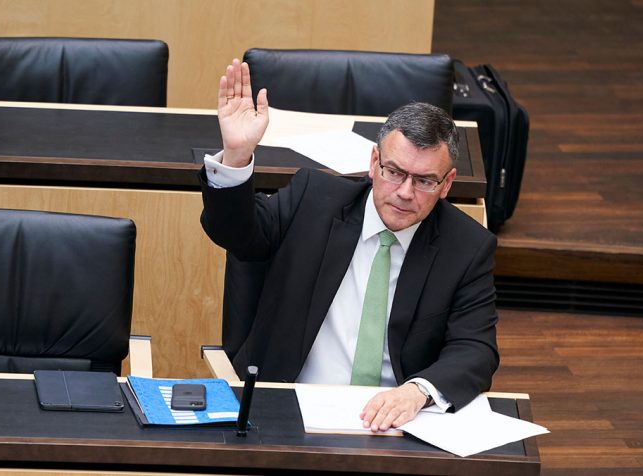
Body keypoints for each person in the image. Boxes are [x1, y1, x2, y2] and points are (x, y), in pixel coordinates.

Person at [200, 59, 499, 432]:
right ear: (374, 162)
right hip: (287, 407)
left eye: (424, 181)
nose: (405, 193)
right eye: (394, 172)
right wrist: (237, 155)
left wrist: (417, 391)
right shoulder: (314, 200)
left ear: (448, 183)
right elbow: (236, 233)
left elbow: (475, 349)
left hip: (396, 423)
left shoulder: (467, 247)